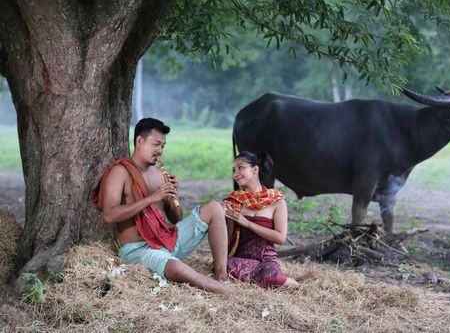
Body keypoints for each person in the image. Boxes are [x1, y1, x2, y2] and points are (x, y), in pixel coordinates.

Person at [91, 118, 234, 294]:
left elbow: (177, 219)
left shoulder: (160, 175)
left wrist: (175, 195)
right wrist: (151, 198)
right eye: (156, 144)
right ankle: (226, 291)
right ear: (140, 141)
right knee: (178, 269)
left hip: (166, 240)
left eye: (163, 146)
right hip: (139, 250)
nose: (160, 151)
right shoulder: (120, 172)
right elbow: (109, 216)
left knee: (214, 207)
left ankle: (222, 276)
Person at [223, 151, 298, 288]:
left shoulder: (276, 200)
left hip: (266, 260)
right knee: (223, 266)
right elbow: (227, 240)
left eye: (241, 167)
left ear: (255, 169)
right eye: (234, 170)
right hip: (240, 260)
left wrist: (247, 223)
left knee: (270, 276)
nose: (236, 173)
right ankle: (258, 279)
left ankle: (292, 283)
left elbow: (280, 238)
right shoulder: (234, 201)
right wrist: (226, 218)